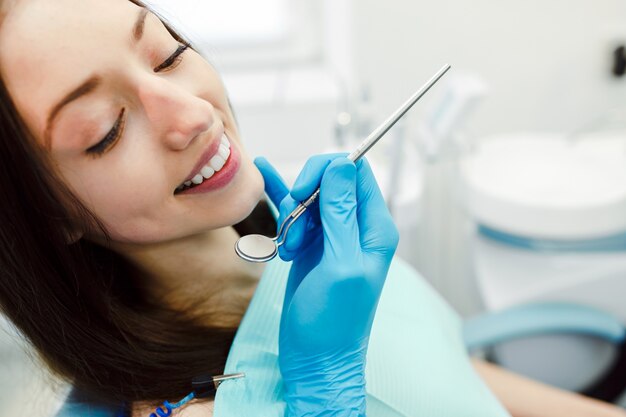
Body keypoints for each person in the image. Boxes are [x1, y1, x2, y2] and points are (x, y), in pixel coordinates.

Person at [0, 0, 624, 416]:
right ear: (49, 218)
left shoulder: (298, 243)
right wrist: (324, 395)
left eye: (168, 54)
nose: (194, 114)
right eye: (105, 130)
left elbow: (452, 378)